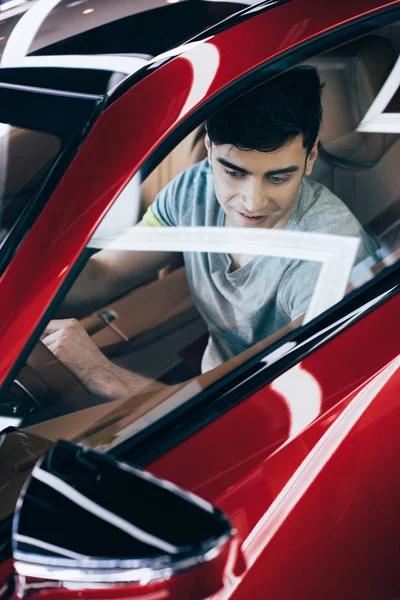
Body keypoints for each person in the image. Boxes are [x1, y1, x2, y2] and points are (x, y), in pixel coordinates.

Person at [43, 66, 377, 400]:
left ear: (310, 157)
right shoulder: (194, 189)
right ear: (209, 149)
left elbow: (275, 416)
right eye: (234, 172)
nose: (252, 201)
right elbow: (103, 274)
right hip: (211, 387)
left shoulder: (330, 263)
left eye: (277, 177)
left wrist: (99, 372)